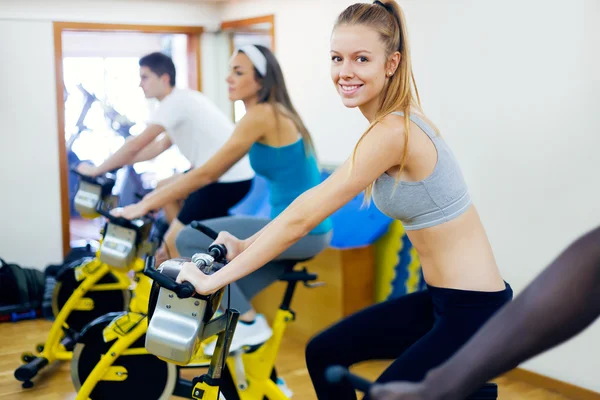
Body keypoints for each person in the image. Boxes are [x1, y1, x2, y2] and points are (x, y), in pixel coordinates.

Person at [175, 1, 512, 398]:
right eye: (338, 58)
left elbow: (304, 217)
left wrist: (214, 280)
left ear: (391, 63)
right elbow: (305, 204)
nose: (345, 71)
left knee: (381, 393)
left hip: (476, 311)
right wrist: (244, 243)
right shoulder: (383, 128)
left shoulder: (392, 132)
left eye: (361, 58)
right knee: (325, 354)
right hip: (440, 302)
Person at [173, 44, 333, 356]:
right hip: (299, 229)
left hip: (302, 231)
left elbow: (209, 173)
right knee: (228, 297)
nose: (228, 78)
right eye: (230, 70)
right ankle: (262, 374)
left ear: (260, 81)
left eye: (238, 71)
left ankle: (249, 324)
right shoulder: (272, 112)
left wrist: (145, 202)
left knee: (188, 238)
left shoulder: (263, 114)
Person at [369, 224, 600, 400]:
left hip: (474, 304)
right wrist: (442, 385)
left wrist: (441, 385)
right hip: (442, 301)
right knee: (333, 348)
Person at [77, 52, 255, 263]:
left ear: (164, 79)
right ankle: (185, 239)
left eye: (145, 77)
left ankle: (178, 249)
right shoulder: (183, 98)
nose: (140, 84)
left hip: (225, 180)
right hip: (227, 173)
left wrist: (98, 169)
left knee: (169, 247)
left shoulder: (173, 103)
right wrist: (119, 163)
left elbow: (137, 144)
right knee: (164, 187)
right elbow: (158, 146)